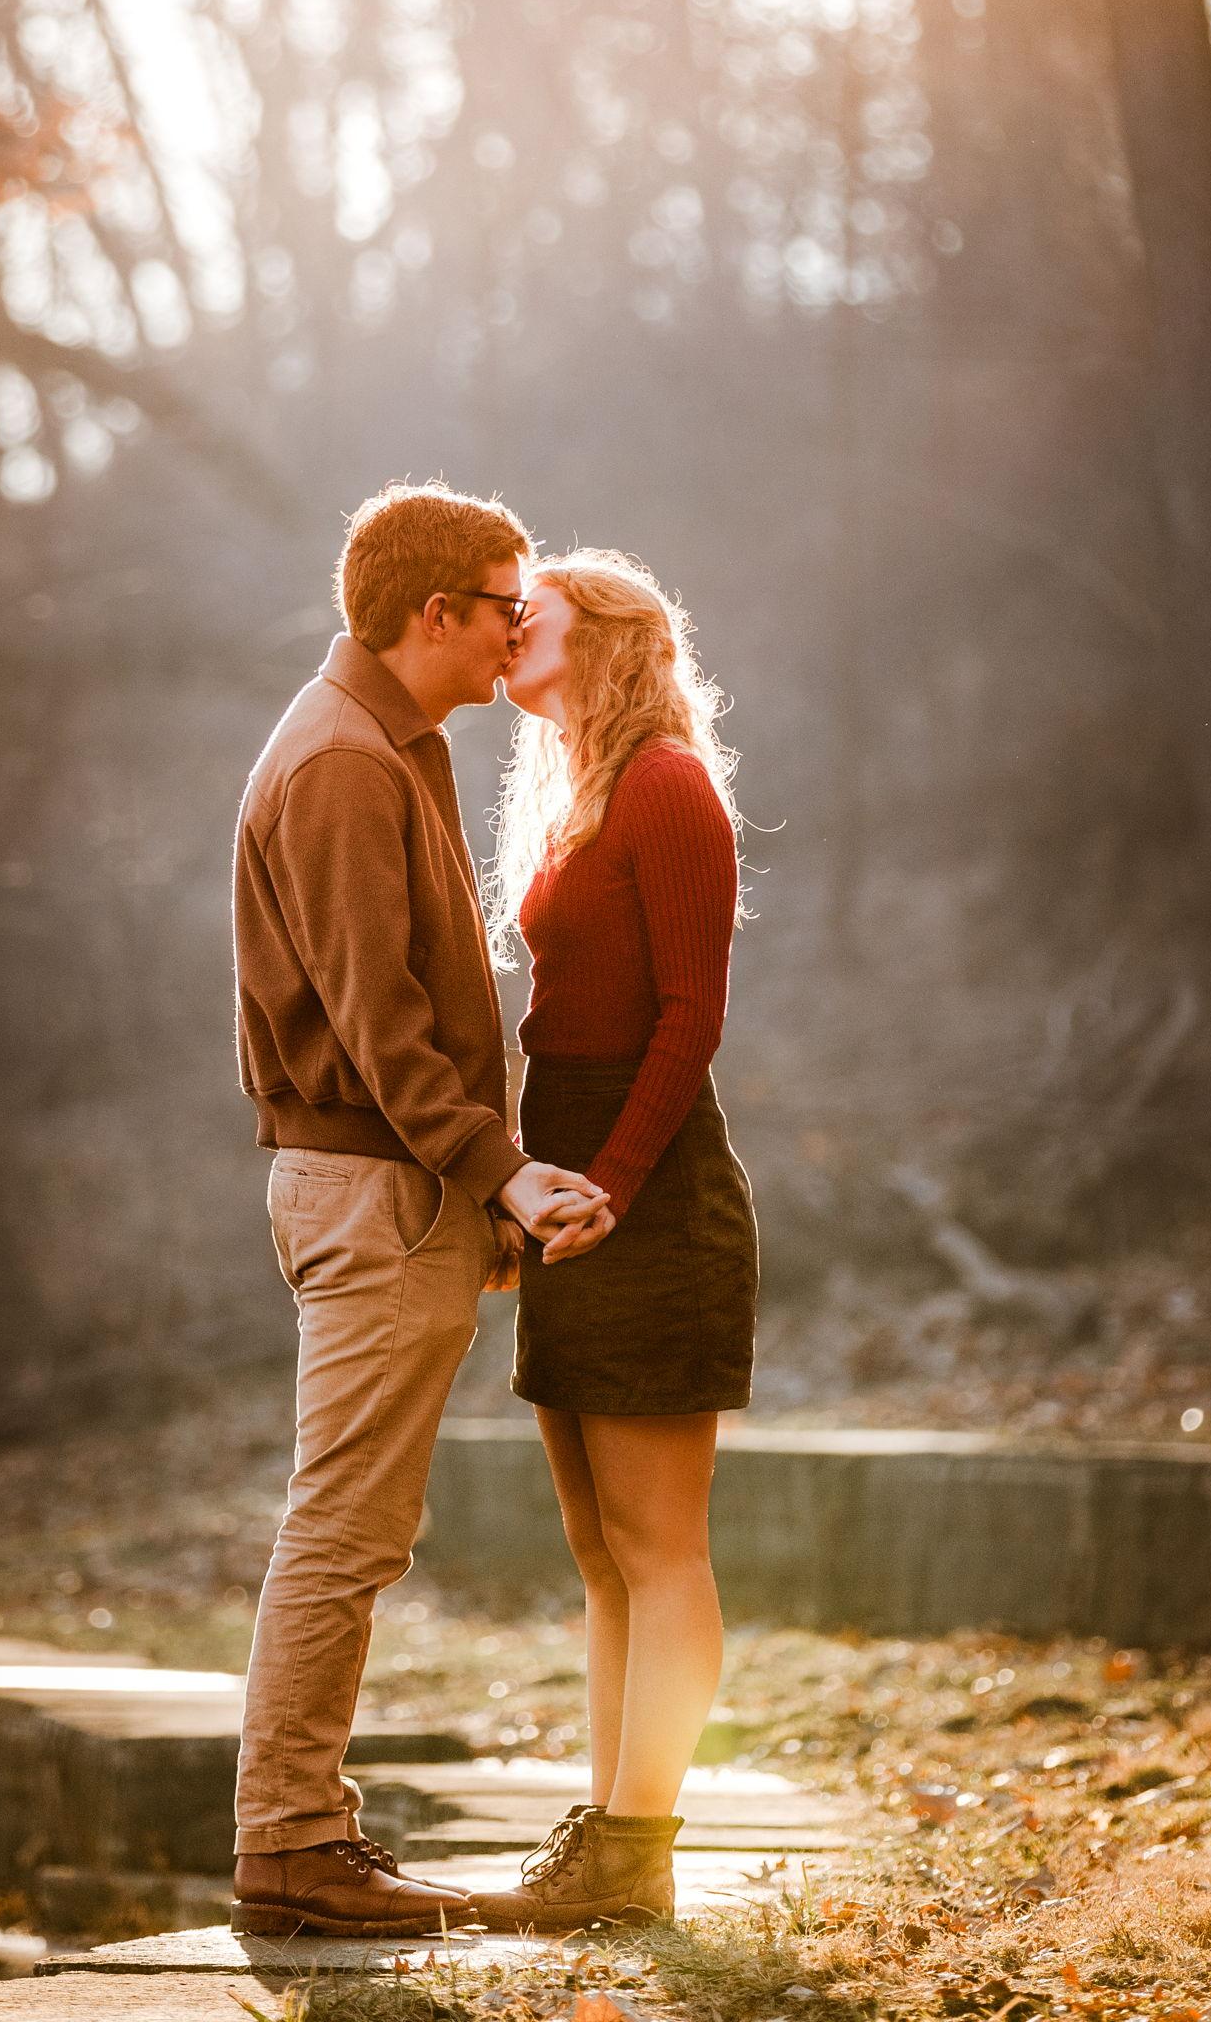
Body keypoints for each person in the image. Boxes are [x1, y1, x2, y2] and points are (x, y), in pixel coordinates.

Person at [229, 482, 611, 1938]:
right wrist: (496, 1167)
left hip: (400, 1184)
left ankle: (306, 1836)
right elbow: (376, 1021)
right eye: (506, 608)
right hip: (374, 1185)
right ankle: (292, 1852)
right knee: (344, 1529)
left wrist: (479, 1177)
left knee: (356, 1526)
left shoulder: (396, 745)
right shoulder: (340, 763)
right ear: (431, 613)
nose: (521, 635)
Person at [469, 549, 758, 1933]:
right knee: (597, 1550)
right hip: (570, 1189)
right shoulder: (578, 792)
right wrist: (528, 1184)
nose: (510, 632)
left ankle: (641, 1846)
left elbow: (690, 1016)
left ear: (608, 641)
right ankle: (606, 1841)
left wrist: (613, 1188)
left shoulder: (666, 785)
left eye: (534, 616)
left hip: (647, 1197)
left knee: (660, 1546)